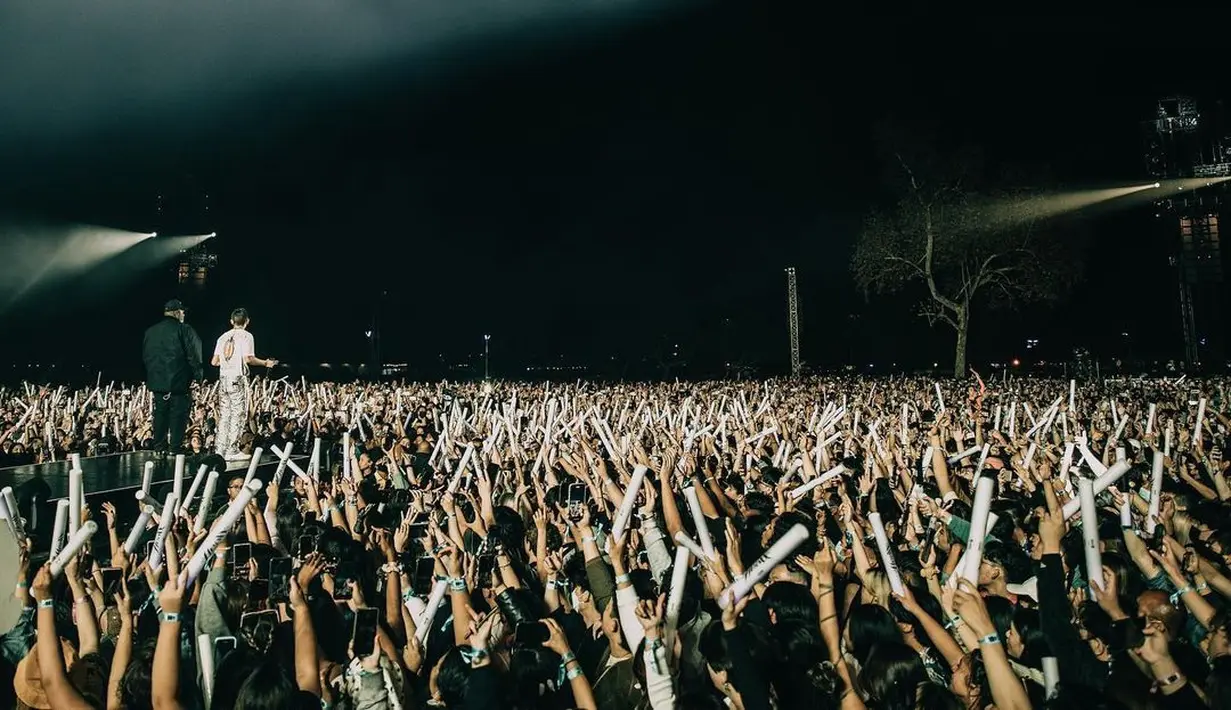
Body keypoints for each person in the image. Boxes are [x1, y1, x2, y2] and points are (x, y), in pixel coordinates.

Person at [211, 307, 277, 461]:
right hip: (237, 378)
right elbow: (249, 358)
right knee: (238, 414)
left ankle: (220, 449)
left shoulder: (222, 337)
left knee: (225, 415)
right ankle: (232, 450)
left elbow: (214, 362)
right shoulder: (247, 336)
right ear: (247, 321)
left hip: (223, 379)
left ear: (231, 321)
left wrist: (228, 361)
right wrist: (266, 363)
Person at [141, 299, 202, 453]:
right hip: (178, 382)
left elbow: (145, 356)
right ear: (177, 312)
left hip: (158, 382)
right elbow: (194, 354)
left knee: (160, 414)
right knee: (178, 415)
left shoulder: (150, 331)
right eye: (182, 311)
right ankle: (175, 447)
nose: (184, 314)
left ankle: (159, 447)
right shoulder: (184, 329)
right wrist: (198, 377)